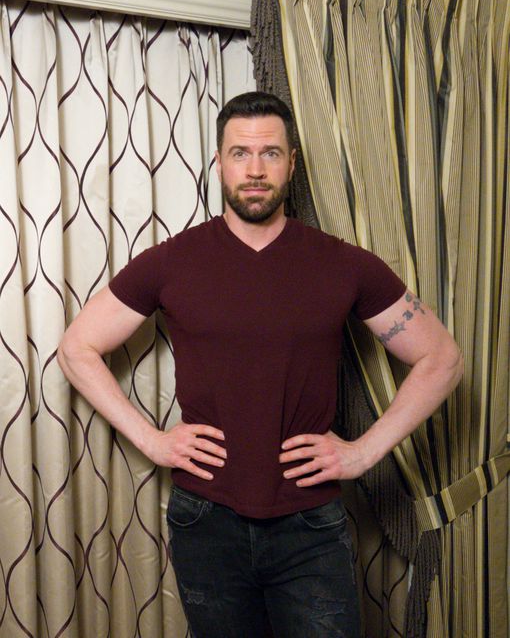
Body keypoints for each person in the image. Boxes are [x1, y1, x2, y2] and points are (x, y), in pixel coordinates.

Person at [57, 91, 463, 638]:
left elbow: (442, 358)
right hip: (205, 518)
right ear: (219, 162)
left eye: (270, 153)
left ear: (292, 163)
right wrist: (152, 440)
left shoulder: (344, 264)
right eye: (240, 153)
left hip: (311, 524)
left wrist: (364, 451)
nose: (254, 170)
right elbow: (77, 348)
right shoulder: (172, 261)